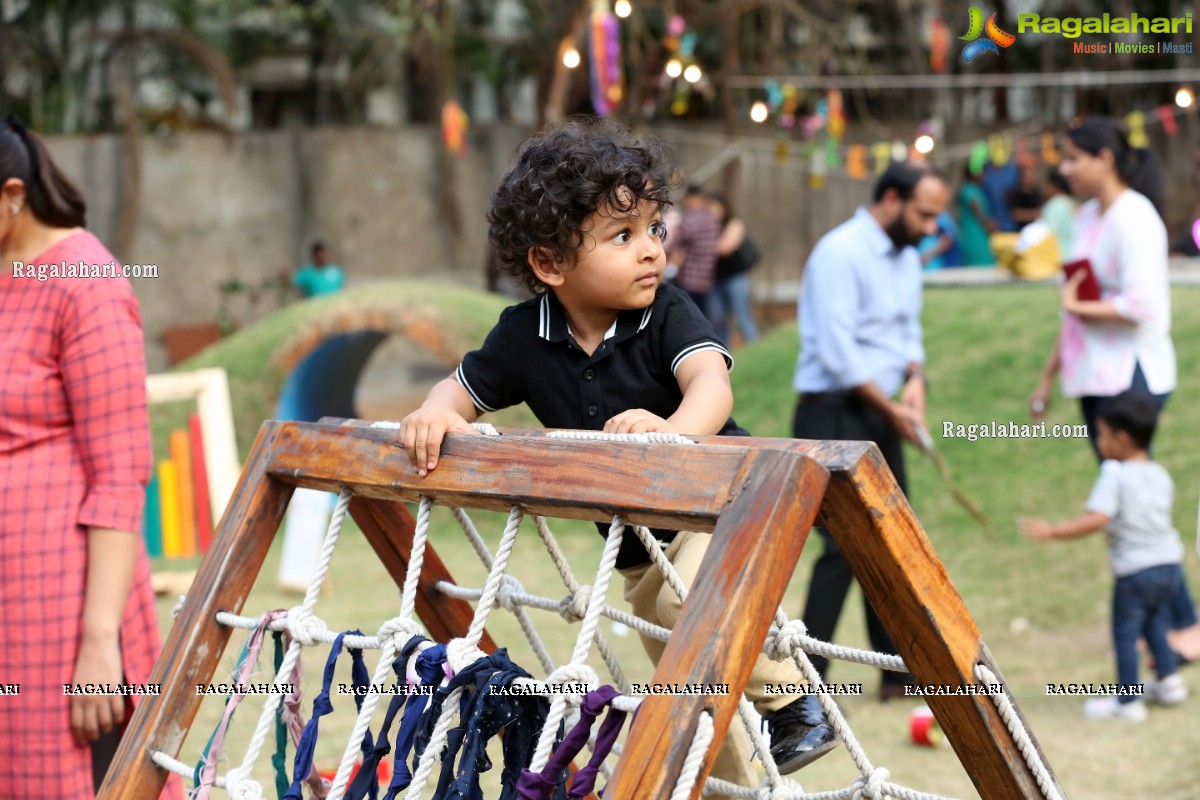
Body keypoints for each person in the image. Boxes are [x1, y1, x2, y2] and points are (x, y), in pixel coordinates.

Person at [398, 118, 837, 794]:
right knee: (683, 686)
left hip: (725, 511)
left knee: (684, 604)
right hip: (635, 551)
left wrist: (672, 434)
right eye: (623, 236)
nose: (652, 252)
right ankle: (723, 783)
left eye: (655, 229)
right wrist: (434, 414)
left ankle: (794, 701)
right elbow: (459, 393)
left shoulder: (667, 313)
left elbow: (711, 387)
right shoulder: (523, 337)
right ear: (550, 263)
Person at [0, 116, 180, 798]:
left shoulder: (87, 282)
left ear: (13, 195)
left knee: (75, 777)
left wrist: (99, 641)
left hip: (65, 598)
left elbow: (119, 475)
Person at [1029, 115, 1200, 665]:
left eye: (1075, 157)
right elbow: (1074, 302)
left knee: (1134, 503)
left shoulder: (1136, 218)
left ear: (1106, 158)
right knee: (1128, 504)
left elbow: (1143, 306)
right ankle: (1165, 635)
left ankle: (1185, 626)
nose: (1065, 167)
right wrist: (1048, 376)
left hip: (1131, 376)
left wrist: (1076, 306)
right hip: (1092, 378)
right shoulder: (1085, 217)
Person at [792, 161, 949, 699]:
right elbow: (837, 353)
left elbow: (910, 332)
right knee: (840, 548)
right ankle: (806, 683)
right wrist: (892, 407)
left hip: (882, 410)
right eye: (924, 214)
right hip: (831, 412)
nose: (931, 227)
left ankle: (895, 676)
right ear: (890, 198)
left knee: (890, 539)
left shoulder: (906, 258)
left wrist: (915, 383)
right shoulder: (840, 252)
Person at [1021, 390, 1188, 720]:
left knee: (1125, 634)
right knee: (1155, 621)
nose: (1098, 441)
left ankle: (1127, 703)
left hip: (1135, 573)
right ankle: (1169, 682)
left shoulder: (1115, 475)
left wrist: (1053, 531)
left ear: (1121, 438)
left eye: (1101, 434)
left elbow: (1099, 517)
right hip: (1170, 567)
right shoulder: (1160, 474)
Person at [706, 192, 759, 345]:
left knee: (742, 316)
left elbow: (725, 247)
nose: (711, 211)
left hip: (735, 277)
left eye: (714, 206)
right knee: (717, 319)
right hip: (715, 279)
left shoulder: (734, 223)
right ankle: (724, 353)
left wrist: (701, 245)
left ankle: (755, 348)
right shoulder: (706, 226)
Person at [666, 184, 722, 312]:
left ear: (689, 199)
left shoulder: (688, 220)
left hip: (688, 278)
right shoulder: (713, 219)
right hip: (707, 279)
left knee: (686, 316)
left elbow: (674, 245)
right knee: (703, 317)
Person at [957, 162, 995, 266]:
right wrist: (989, 225)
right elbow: (977, 211)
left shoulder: (976, 189)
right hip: (975, 237)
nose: (984, 175)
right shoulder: (969, 190)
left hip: (979, 236)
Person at [1039, 167, 1076, 260]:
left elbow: (1049, 234)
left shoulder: (1053, 205)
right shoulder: (1071, 203)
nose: (1045, 188)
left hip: (1056, 257)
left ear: (1054, 185)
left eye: (1047, 185)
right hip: (1073, 255)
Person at [1007, 155, 1044, 231]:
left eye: (1033, 171)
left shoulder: (1037, 192)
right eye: (1028, 172)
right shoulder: (1017, 194)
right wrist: (1034, 214)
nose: (1032, 175)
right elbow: (1015, 214)